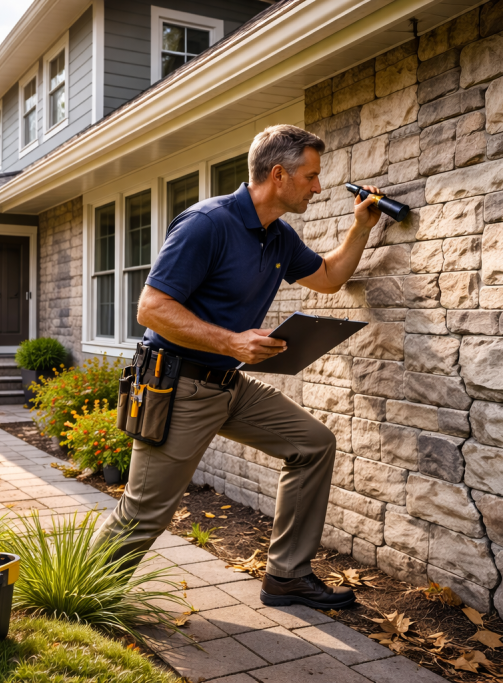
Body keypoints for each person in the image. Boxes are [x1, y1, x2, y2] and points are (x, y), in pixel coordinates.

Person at [92, 124, 383, 609]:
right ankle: (81, 596)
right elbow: (151, 308)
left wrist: (361, 227)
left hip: (228, 384)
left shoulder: (278, 238)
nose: (317, 186)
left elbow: (329, 278)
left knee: (312, 445)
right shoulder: (207, 224)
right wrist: (231, 340)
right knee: (144, 510)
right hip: (178, 385)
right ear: (278, 174)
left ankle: (287, 576)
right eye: (310, 176)